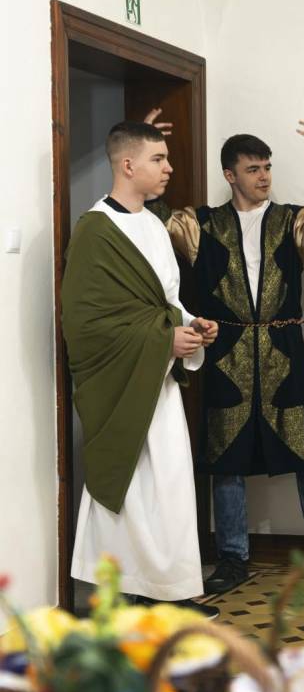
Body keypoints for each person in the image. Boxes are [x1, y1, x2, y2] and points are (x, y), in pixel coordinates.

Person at [144, 109, 304, 592]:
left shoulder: (290, 221)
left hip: (285, 350)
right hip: (226, 353)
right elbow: (152, 223)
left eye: (267, 167)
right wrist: (153, 151)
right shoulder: (201, 224)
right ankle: (233, 557)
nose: (263, 177)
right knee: (226, 457)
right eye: (253, 169)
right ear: (230, 175)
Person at [63, 121, 219, 617]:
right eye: (159, 159)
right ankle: (121, 591)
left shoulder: (153, 224)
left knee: (168, 488)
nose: (169, 167)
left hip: (158, 378)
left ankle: (166, 589)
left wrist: (192, 325)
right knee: (129, 487)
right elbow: (86, 324)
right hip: (122, 383)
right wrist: (162, 338)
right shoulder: (95, 230)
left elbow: (165, 302)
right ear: (128, 165)